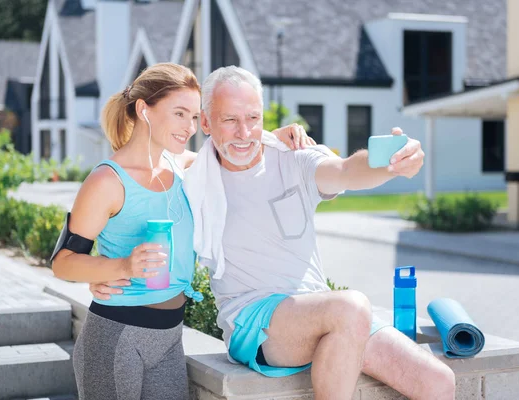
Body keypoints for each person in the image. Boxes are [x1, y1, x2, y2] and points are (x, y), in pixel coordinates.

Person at [92, 66, 455, 400]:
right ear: (204, 122)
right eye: (230, 120)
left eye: (252, 118)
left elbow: (345, 171)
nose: (244, 133)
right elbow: (130, 206)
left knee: (439, 382)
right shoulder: (192, 177)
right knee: (350, 307)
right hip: (253, 323)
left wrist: (389, 164)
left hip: (324, 312)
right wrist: (105, 271)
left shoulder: (294, 156)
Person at [51, 63, 311, 400]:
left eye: (193, 116)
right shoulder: (107, 181)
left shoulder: (182, 164)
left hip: (170, 337)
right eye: (179, 114)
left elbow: (230, 145)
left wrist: (273, 136)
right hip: (116, 336)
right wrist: (121, 267)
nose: (190, 127)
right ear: (144, 110)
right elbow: (63, 262)